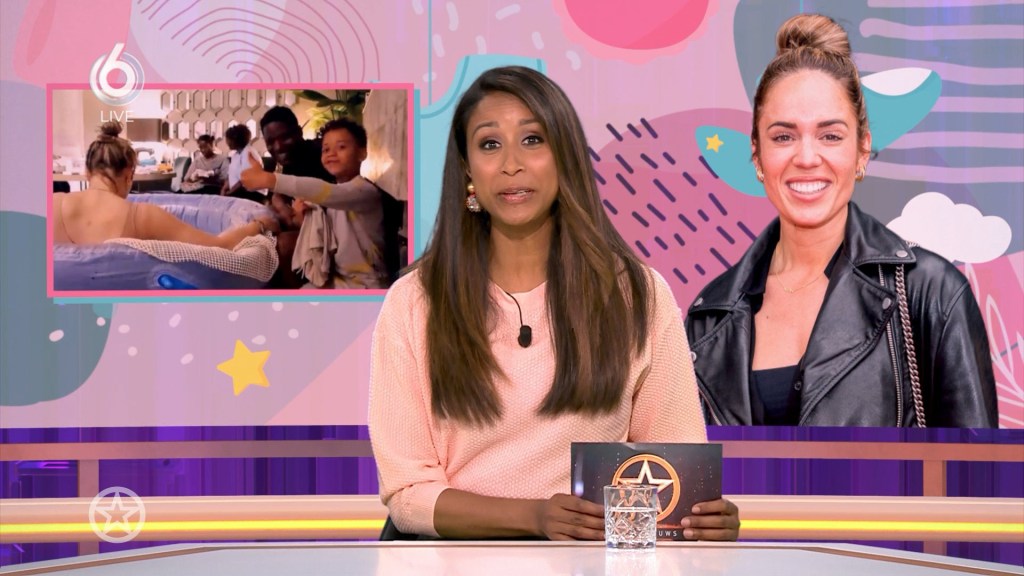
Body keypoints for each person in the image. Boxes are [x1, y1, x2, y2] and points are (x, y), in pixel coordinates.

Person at [368, 66, 739, 541]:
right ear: (467, 169)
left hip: (591, 562)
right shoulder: (414, 303)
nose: (511, 164)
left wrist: (700, 518)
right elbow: (407, 495)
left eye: (533, 139)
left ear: (564, 155)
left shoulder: (637, 294)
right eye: (489, 144)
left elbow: (673, 469)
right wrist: (536, 517)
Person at [685, 14, 997, 428]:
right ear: (757, 155)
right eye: (783, 136)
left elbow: (974, 467)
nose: (806, 157)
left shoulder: (932, 294)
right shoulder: (709, 318)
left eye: (830, 136)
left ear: (862, 150)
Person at [52, 121, 275, 249]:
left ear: (87, 171)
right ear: (130, 174)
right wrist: (257, 225)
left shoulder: (52, 204)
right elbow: (218, 247)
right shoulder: (143, 216)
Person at [241, 118, 390, 288]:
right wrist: (303, 220)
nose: (331, 153)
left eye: (341, 147)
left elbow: (324, 191)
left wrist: (268, 179)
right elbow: (330, 234)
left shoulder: (364, 191)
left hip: (366, 284)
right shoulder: (337, 196)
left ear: (362, 153)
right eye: (326, 149)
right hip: (339, 280)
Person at [259, 106, 335, 287]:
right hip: (307, 226)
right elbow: (276, 195)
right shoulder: (289, 163)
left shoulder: (322, 155)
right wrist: (282, 208)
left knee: (282, 244)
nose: (278, 146)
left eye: (285, 137)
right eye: (271, 141)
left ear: (299, 132)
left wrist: (292, 217)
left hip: (332, 233)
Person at [221, 124, 268, 204]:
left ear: (235, 139)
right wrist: (224, 188)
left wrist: (229, 193)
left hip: (253, 193)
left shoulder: (249, 153)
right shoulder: (235, 155)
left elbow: (245, 180)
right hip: (238, 192)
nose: (227, 142)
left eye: (228, 139)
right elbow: (230, 175)